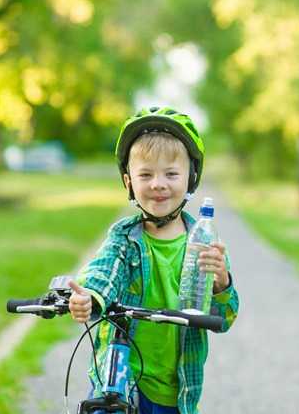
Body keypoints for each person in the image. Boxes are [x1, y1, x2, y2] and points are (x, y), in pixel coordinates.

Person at [68, 106, 239, 414]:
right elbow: (104, 273)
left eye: (171, 174)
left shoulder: (201, 242)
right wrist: (90, 298)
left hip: (177, 389)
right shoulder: (124, 237)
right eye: (145, 174)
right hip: (120, 378)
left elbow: (224, 318)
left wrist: (221, 283)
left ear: (191, 178)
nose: (158, 184)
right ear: (128, 181)